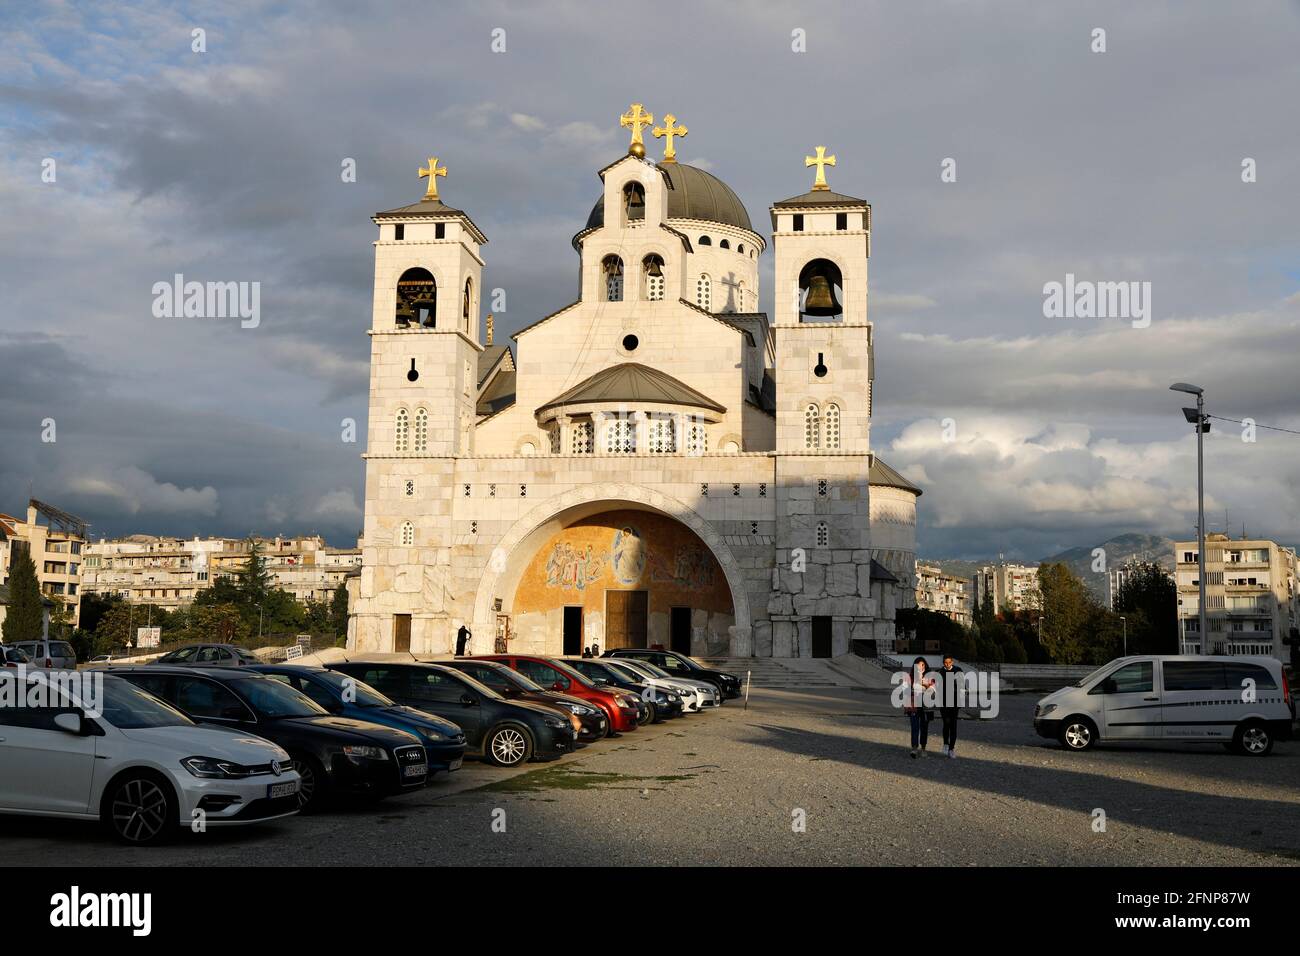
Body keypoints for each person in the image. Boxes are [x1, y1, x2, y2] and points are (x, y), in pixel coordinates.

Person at [902, 656, 935, 758]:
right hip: (913, 706)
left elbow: (933, 689)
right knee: (914, 727)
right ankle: (914, 748)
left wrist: (923, 684)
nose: (920, 667)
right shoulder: (909, 676)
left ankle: (923, 748)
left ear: (925, 665)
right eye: (918, 665)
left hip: (926, 706)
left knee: (924, 728)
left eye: (922, 665)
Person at [936, 654, 963, 758]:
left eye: (949, 662)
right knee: (946, 723)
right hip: (943, 702)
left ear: (952, 662)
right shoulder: (940, 672)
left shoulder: (958, 670)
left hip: (955, 702)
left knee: (953, 725)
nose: (947, 664)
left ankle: (952, 749)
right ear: (943, 663)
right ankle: (945, 744)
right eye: (945, 663)